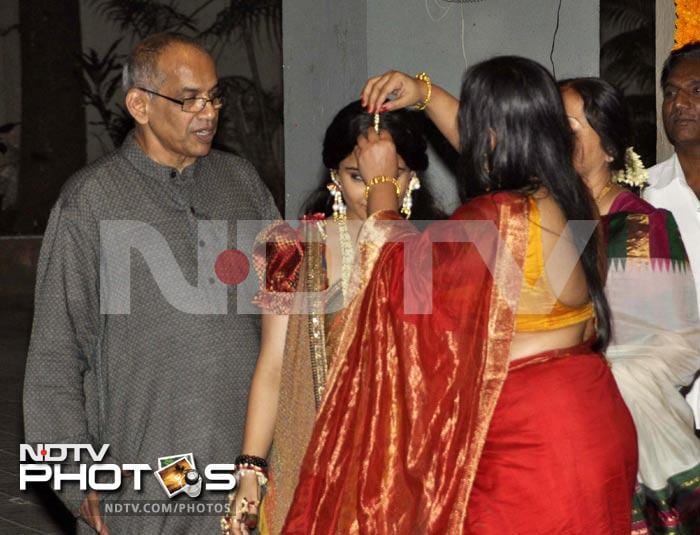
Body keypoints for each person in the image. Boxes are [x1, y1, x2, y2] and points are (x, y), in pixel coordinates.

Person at [282, 57, 638, 534]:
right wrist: (424, 94)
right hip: (591, 416)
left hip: (530, 440)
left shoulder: (497, 218)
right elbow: (495, 151)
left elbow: (400, 280)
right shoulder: (570, 198)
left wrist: (382, 183)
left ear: (488, 137)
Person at [23, 33, 279, 534]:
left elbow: (288, 318)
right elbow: (55, 357)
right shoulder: (90, 202)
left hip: (248, 468)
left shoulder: (241, 182)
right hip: (148, 480)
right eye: (190, 100)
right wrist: (78, 480)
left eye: (214, 96)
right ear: (139, 104)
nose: (208, 112)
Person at [222, 101, 445, 534]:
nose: (371, 191)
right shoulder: (294, 248)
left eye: (390, 175)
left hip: (409, 465)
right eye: (357, 176)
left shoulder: (437, 251)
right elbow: (272, 366)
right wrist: (250, 470)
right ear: (334, 177)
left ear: (413, 176)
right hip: (311, 457)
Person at [560, 77, 700, 534]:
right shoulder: (541, 220)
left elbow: (667, 344)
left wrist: (587, 368)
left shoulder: (636, 227)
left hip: (618, 430)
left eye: (569, 126)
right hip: (555, 427)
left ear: (609, 147)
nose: (554, 137)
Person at [644, 42, 700, 433]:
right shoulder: (642, 194)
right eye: (670, 93)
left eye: (696, 90)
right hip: (669, 415)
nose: (679, 103)